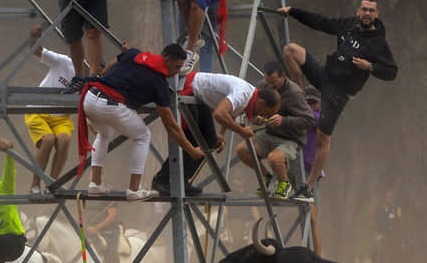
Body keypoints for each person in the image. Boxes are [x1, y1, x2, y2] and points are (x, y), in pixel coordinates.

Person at [277, 0, 399, 202]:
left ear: (376, 14)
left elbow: (392, 71)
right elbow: (321, 22)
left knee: (323, 138)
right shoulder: (349, 24)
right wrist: (293, 11)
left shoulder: (378, 42)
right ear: (358, 11)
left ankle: (307, 188)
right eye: (364, 9)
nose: (367, 13)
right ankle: (299, 98)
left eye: (371, 10)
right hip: (325, 75)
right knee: (291, 50)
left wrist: (370, 67)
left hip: (339, 92)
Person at [76, 43, 204, 200]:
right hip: (110, 105)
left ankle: (95, 184)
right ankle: (134, 189)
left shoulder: (135, 54)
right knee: (143, 136)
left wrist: (109, 78)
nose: (177, 72)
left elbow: (110, 64)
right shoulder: (159, 83)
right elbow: (171, 126)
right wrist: (191, 151)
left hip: (90, 97)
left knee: (105, 133)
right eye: (177, 67)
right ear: (167, 59)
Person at [151, 72, 280, 196]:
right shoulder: (243, 94)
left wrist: (221, 134)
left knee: (209, 141)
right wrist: (241, 131)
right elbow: (219, 114)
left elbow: (230, 112)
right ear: (262, 103)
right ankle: (161, 180)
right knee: (191, 139)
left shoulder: (249, 97)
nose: (264, 116)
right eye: (266, 112)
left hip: (200, 99)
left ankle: (182, 180)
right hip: (189, 90)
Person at [236, 61, 313, 199]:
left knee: (274, 159)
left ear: (283, 76)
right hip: (269, 133)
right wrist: (257, 117)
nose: (270, 87)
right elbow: (252, 108)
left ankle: (284, 183)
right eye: (267, 82)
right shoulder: (263, 86)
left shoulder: (295, 93)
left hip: (291, 139)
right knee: (242, 150)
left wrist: (284, 120)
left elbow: (309, 120)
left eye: (274, 83)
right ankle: (266, 177)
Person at [24, 26, 75, 194]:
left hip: (60, 117)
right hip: (39, 109)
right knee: (48, 139)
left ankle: (52, 184)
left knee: (64, 140)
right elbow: (35, 50)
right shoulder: (64, 62)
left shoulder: (93, 82)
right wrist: (34, 37)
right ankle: (35, 184)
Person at [302, 85, 323, 256]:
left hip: (311, 172)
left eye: (313, 103)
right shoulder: (305, 115)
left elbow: (309, 118)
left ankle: (317, 257)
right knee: (307, 215)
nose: (310, 105)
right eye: (306, 102)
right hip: (299, 169)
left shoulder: (319, 118)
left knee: (312, 216)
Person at [371, 189, 402, 263]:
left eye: (391, 197)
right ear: (384, 198)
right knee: (376, 246)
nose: (389, 199)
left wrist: (395, 228)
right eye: (387, 197)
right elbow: (372, 220)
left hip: (393, 234)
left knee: (401, 247)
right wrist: (376, 230)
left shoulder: (396, 209)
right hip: (380, 233)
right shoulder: (377, 208)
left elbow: (400, 221)